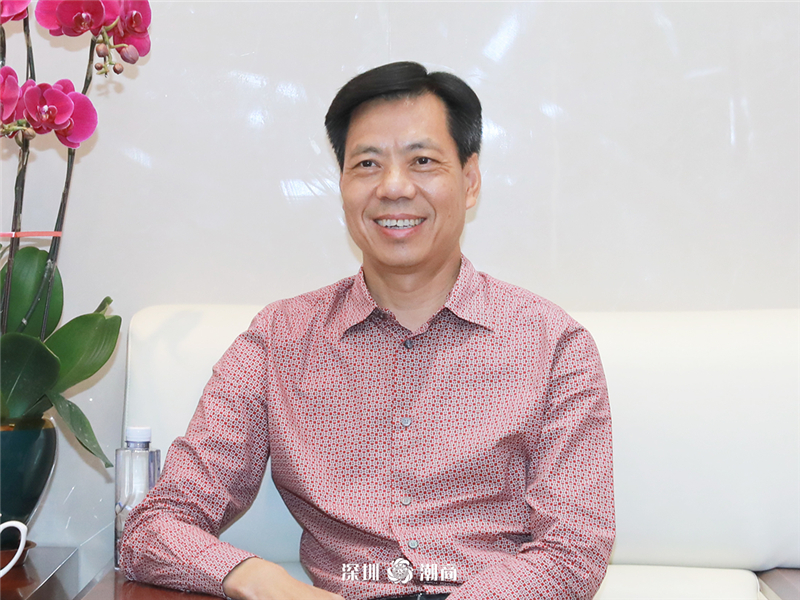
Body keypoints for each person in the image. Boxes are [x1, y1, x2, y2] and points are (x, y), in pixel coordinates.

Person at [120, 61, 615, 600]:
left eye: (422, 161)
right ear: (342, 185)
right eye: (367, 164)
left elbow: (574, 550)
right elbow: (154, 527)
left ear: (470, 181)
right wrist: (263, 581)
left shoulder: (553, 345)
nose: (394, 187)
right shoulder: (278, 341)